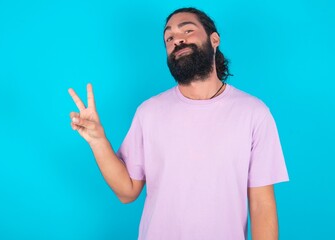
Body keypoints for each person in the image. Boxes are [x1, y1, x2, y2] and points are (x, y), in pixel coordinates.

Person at [68, 7, 289, 240]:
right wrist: (97, 140)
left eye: (188, 30)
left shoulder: (254, 113)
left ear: (214, 39)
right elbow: (126, 191)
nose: (177, 40)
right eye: (169, 38)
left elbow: (261, 205)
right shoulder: (149, 112)